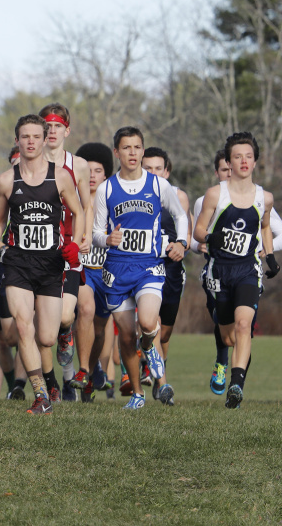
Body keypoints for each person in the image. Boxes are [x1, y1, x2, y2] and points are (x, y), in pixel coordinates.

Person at [0, 114, 84, 414]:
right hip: (18, 263)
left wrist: (74, 245)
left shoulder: (60, 176)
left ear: (44, 139)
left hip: (51, 263)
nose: (30, 141)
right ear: (17, 140)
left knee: (47, 337)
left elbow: (77, 213)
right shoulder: (6, 180)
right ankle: (41, 396)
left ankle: (52, 373)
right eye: (25, 136)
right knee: (24, 327)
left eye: (36, 136)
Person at [92, 127, 189, 409]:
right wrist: (107, 239)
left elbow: (180, 215)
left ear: (142, 150)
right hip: (116, 269)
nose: (132, 153)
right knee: (125, 334)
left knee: (147, 323)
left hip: (149, 266)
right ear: (117, 152)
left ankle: (148, 347)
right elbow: (97, 233)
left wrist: (181, 242)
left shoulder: (158, 185)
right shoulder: (106, 189)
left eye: (137, 147)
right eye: (126, 148)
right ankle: (136, 393)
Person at [194, 132, 277, 409]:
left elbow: (265, 227)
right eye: (238, 156)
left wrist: (271, 257)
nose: (243, 161)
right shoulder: (216, 194)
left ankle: (237, 385)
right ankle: (222, 359)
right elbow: (198, 230)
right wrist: (210, 238)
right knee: (229, 335)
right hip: (219, 271)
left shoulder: (264, 198)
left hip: (247, 271)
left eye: (249, 156)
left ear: (255, 163)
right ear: (229, 162)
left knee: (245, 325)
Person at [39, 103, 92, 402]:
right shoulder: (30, 163)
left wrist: (84, 236)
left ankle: (65, 334)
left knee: (65, 315)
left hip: (69, 249)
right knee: (43, 321)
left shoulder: (79, 165)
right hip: (39, 253)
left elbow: (85, 205)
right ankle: (52, 384)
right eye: (47, 125)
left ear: (67, 130)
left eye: (58, 125)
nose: (52, 130)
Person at [141, 146, 190, 403]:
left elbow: (188, 235)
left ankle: (152, 363)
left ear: (167, 171)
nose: (153, 173)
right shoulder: (135, 195)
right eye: (147, 168)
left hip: (171, 269)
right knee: (153, 326)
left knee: (165, 333)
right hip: (145, 267)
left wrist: (180, 246)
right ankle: (162, 384)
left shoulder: (179, 197)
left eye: (158, 168)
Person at [70, 142, 115, 401]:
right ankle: (81, 371)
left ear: (106, 174)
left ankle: (92, 366)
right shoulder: (72, 198)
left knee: (99, 330)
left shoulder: (113, 199)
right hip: (82, 268)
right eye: (88, 170)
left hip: (106, 271)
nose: (93, 175)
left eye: (98, 170)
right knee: (84, 313)